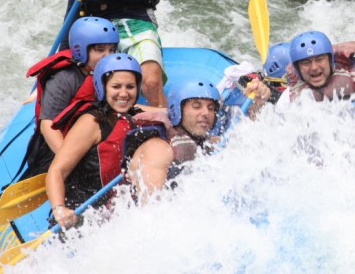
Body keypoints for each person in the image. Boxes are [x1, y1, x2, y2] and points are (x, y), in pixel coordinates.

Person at [46, 53, 173, 229]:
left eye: (130, 87)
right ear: (102, 87)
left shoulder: (133, 112)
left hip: (114, 211)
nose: (123, 93)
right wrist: (59, 209)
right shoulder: (91, 122)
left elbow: (170, 113)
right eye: (116, 86)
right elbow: (57, 170)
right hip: (81, 215)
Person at [20, 17, 119, 179]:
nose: (107, 56)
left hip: (91, 137)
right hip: (57, 146)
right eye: (100, 50)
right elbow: (47, 125)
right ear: (81, 50)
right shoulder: (65, 78)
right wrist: (69, 161)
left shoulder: (112, 72)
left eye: (111, 50)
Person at [245, 30, 355, 116]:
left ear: (330, 60)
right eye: (306, 62)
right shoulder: (291, 98)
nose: (314, 67)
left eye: (319, 59)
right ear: (297, 68)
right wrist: (258, 104)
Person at [164, 78, 221, 180]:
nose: (206, 113)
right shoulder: (163, 149)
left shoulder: (210, 142)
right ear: (177, 110)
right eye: (196, 106)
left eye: (211, 108)